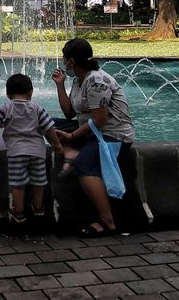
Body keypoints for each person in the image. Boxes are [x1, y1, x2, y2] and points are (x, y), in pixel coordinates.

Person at [0, 73, 72, 226]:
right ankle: (38, 208)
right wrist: (56, 145)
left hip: (16, 153)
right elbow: (48, 128)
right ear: (31, 92)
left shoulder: (5, 108)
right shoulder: (37, 108)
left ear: (8, 94)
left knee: (18, 184)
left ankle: (19, 212)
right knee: (39, 181)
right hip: (37, 152)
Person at [51, 37, 135, 237]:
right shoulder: (78, 79)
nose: (63, 62)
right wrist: (60, 85)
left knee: (85, 166)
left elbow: (99, 120)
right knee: (44, 122)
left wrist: (71, 135)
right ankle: (70, 151)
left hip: (112, 134)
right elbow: (69, 113)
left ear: (71, 62)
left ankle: (107, 221)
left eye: (64, 58)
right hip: (88, 130)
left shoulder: (96, 80)